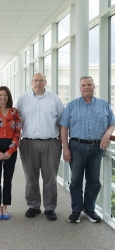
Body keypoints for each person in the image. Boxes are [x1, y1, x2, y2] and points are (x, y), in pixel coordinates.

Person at [60, 76, 115, 223]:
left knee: (94, 180)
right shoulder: (71, 106)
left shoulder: (104, 105)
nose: (86, 87)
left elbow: (112, 123)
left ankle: (89, 209)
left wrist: (107, 134)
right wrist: (65, 148)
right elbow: (64, 128)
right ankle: (76, 210)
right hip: (76, 147)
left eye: (89, 84)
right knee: (76, 180)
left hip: (97, 147)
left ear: (94, 86)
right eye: (83, 85)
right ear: (80, 88)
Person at [16, 72, 64, 221]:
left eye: (41, 80)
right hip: (28, 143)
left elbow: (62, 121)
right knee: (31, 177)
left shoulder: (54, 99)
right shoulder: (22, 99)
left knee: (50, 177)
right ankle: (33, 205)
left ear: (46, 82)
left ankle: (50, 207)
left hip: (50, 142)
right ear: (31, 82)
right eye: (35, 80)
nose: (38, 83)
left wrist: (62, 142)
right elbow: (15, 120)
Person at [0, 86, 21, 220]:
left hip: (11, 147)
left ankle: (5, 206)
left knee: (8, 180)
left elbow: (18, 132)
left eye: (5, 95)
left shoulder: (15, 112)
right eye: (0, 95)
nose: (3, 97)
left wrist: (11, 150)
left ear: (9, 97)